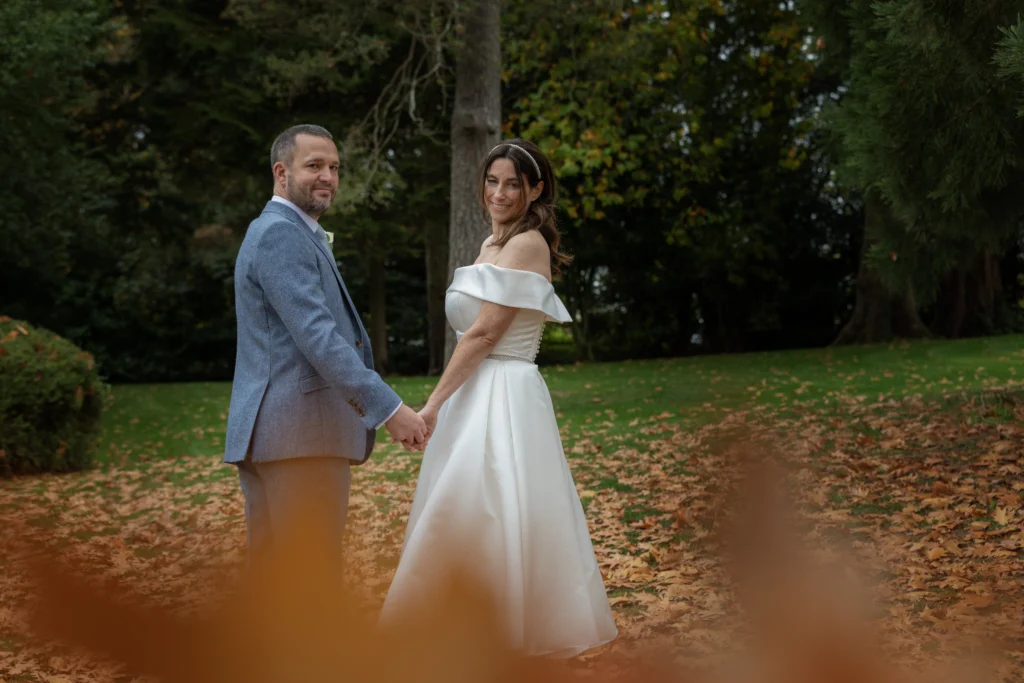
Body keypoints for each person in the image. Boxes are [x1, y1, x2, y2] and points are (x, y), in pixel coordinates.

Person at [379, 139, 618, 657]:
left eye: (513, 183)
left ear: (536, 190)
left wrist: (433, 404)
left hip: (506, 390)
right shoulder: (489, 246)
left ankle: (505, 630)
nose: (501, 193)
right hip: (474, 390)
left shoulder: (528, 244)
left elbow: (485, 335)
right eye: (493, 181)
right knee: (462, 505)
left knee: (496, 505)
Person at [224, 124, 428, 568]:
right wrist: (389, 410)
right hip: (300, 438)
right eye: (314, 165)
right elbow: (318, 336)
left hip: (282, 438)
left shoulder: (285, 230)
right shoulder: (281, 234)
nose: (328, 177)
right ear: (281, 172)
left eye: (334, 167)